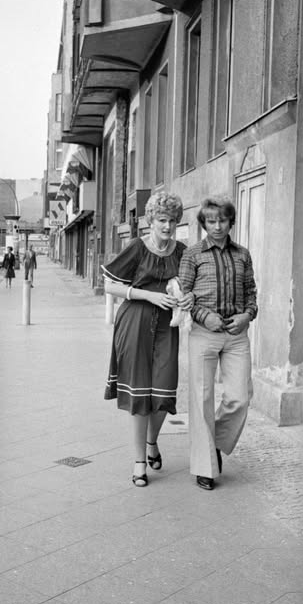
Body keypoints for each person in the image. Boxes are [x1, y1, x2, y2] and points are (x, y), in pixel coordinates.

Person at [103, 193, 193, 487]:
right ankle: (140, 460)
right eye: (162, 220)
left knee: (164, 392)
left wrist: (188, 297)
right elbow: (110, 285)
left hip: (168, 326)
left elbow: (192, 285)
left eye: (173, 221)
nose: (168, 226)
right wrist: (148, 295)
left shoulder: (182, 252)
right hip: (135, 322)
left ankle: (152, 441)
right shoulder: (138, 247)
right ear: (151, 221)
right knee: (140, 394)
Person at [179, 194, 257, 491]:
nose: (217, 226)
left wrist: (247, 316)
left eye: (222, 220)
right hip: (204, 333)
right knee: (201, 399)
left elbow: (251, 293)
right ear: (203, 223)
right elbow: (183, 296)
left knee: (240, 397)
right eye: (211, 221)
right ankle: (204, 468)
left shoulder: (243, 254)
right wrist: (204, 316)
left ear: (231, 221)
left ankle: (213, 444)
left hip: (236, 335)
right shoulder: (193, 255)